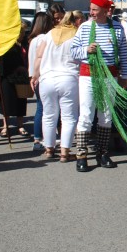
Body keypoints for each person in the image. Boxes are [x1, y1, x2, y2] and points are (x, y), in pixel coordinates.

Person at [70, 0, 127, 172]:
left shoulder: (118, 28)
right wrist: (86, 50)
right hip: (89, 74)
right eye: (91, 9)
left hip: (109, 75)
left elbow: (124, 54)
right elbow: (73, 52)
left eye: (95, 10)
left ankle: (102, 152)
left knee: (106, 115)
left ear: (105, 11)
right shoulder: (85, 27)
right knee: (86, 114)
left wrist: (124, 76)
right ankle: (81, 154)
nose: (91, 13)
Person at [32, 11, 80, 161]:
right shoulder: (77, 34)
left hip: (47, 78)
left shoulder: (50, 34)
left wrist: (35, 74)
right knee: (68, 117)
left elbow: (39, 55)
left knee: (48, 115)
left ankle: (49, 149)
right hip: (68, 78)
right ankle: (65, 151)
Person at [27, 12, 54, 150]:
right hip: (43, 76)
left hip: (34, 76)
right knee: (45, 109)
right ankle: (40, 138)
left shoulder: (32, 40)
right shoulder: (45, 38)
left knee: (40, 108)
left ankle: (37, 138)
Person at [0, 21, 30, 137]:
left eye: (23, 32)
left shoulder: (25, 43)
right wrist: (19, 67)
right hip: (9, 76)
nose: (22, 34)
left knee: (21, 101)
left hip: (22, 77)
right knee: (6, 102)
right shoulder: (9, 45)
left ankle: (20, 125)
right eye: (21, 32)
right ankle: (5, 126)